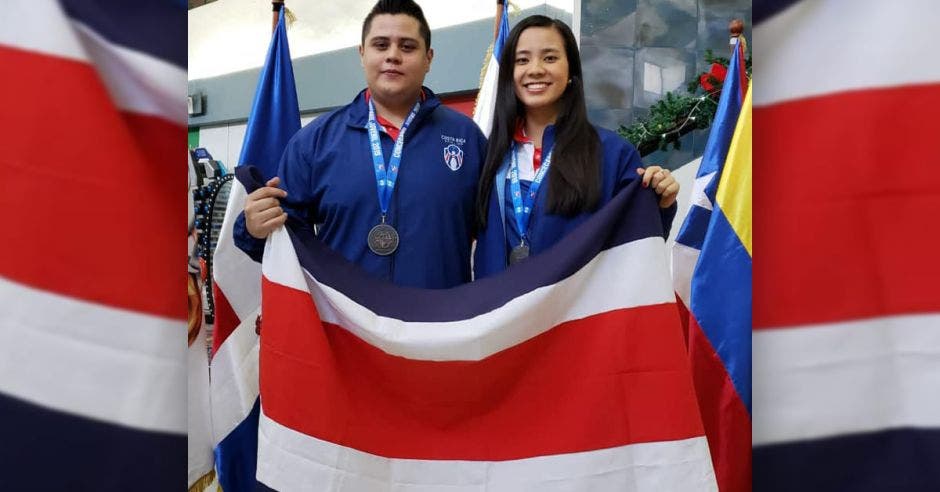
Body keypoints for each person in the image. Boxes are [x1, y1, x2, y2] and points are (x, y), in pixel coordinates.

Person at [235, 0, 486, 289]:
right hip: (345, 326)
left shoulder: (467, 139)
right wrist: (253, 229)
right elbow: (285, 240)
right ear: (362, 53)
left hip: (438, 324)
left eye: (407, 47)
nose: (393, 56)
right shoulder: (316, 141)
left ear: (428, 58)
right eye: (381, 45)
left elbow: (499, 236)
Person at [473, 15, 679, 278]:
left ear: (571, 71)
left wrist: (661, 203)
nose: (535, 69)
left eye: (549, 58)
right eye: (522, 60)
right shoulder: (487, 154)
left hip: (577, 315)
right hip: (500, 312)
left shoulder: (613, 154)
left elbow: (635, 248)